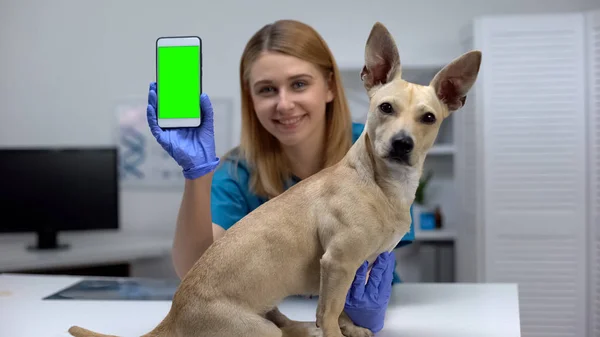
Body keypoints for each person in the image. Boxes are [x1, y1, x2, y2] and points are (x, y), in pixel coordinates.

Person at [146, 19, 415, 333]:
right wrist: (196, 173)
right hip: (267, 316)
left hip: (373, 313)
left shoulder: (383, 152)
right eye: (267, 90)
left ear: (329, 86)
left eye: (299, 84)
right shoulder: (237, 171)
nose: (284, 104)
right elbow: (199, 271)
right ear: (251, 98)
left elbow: (377, 250)